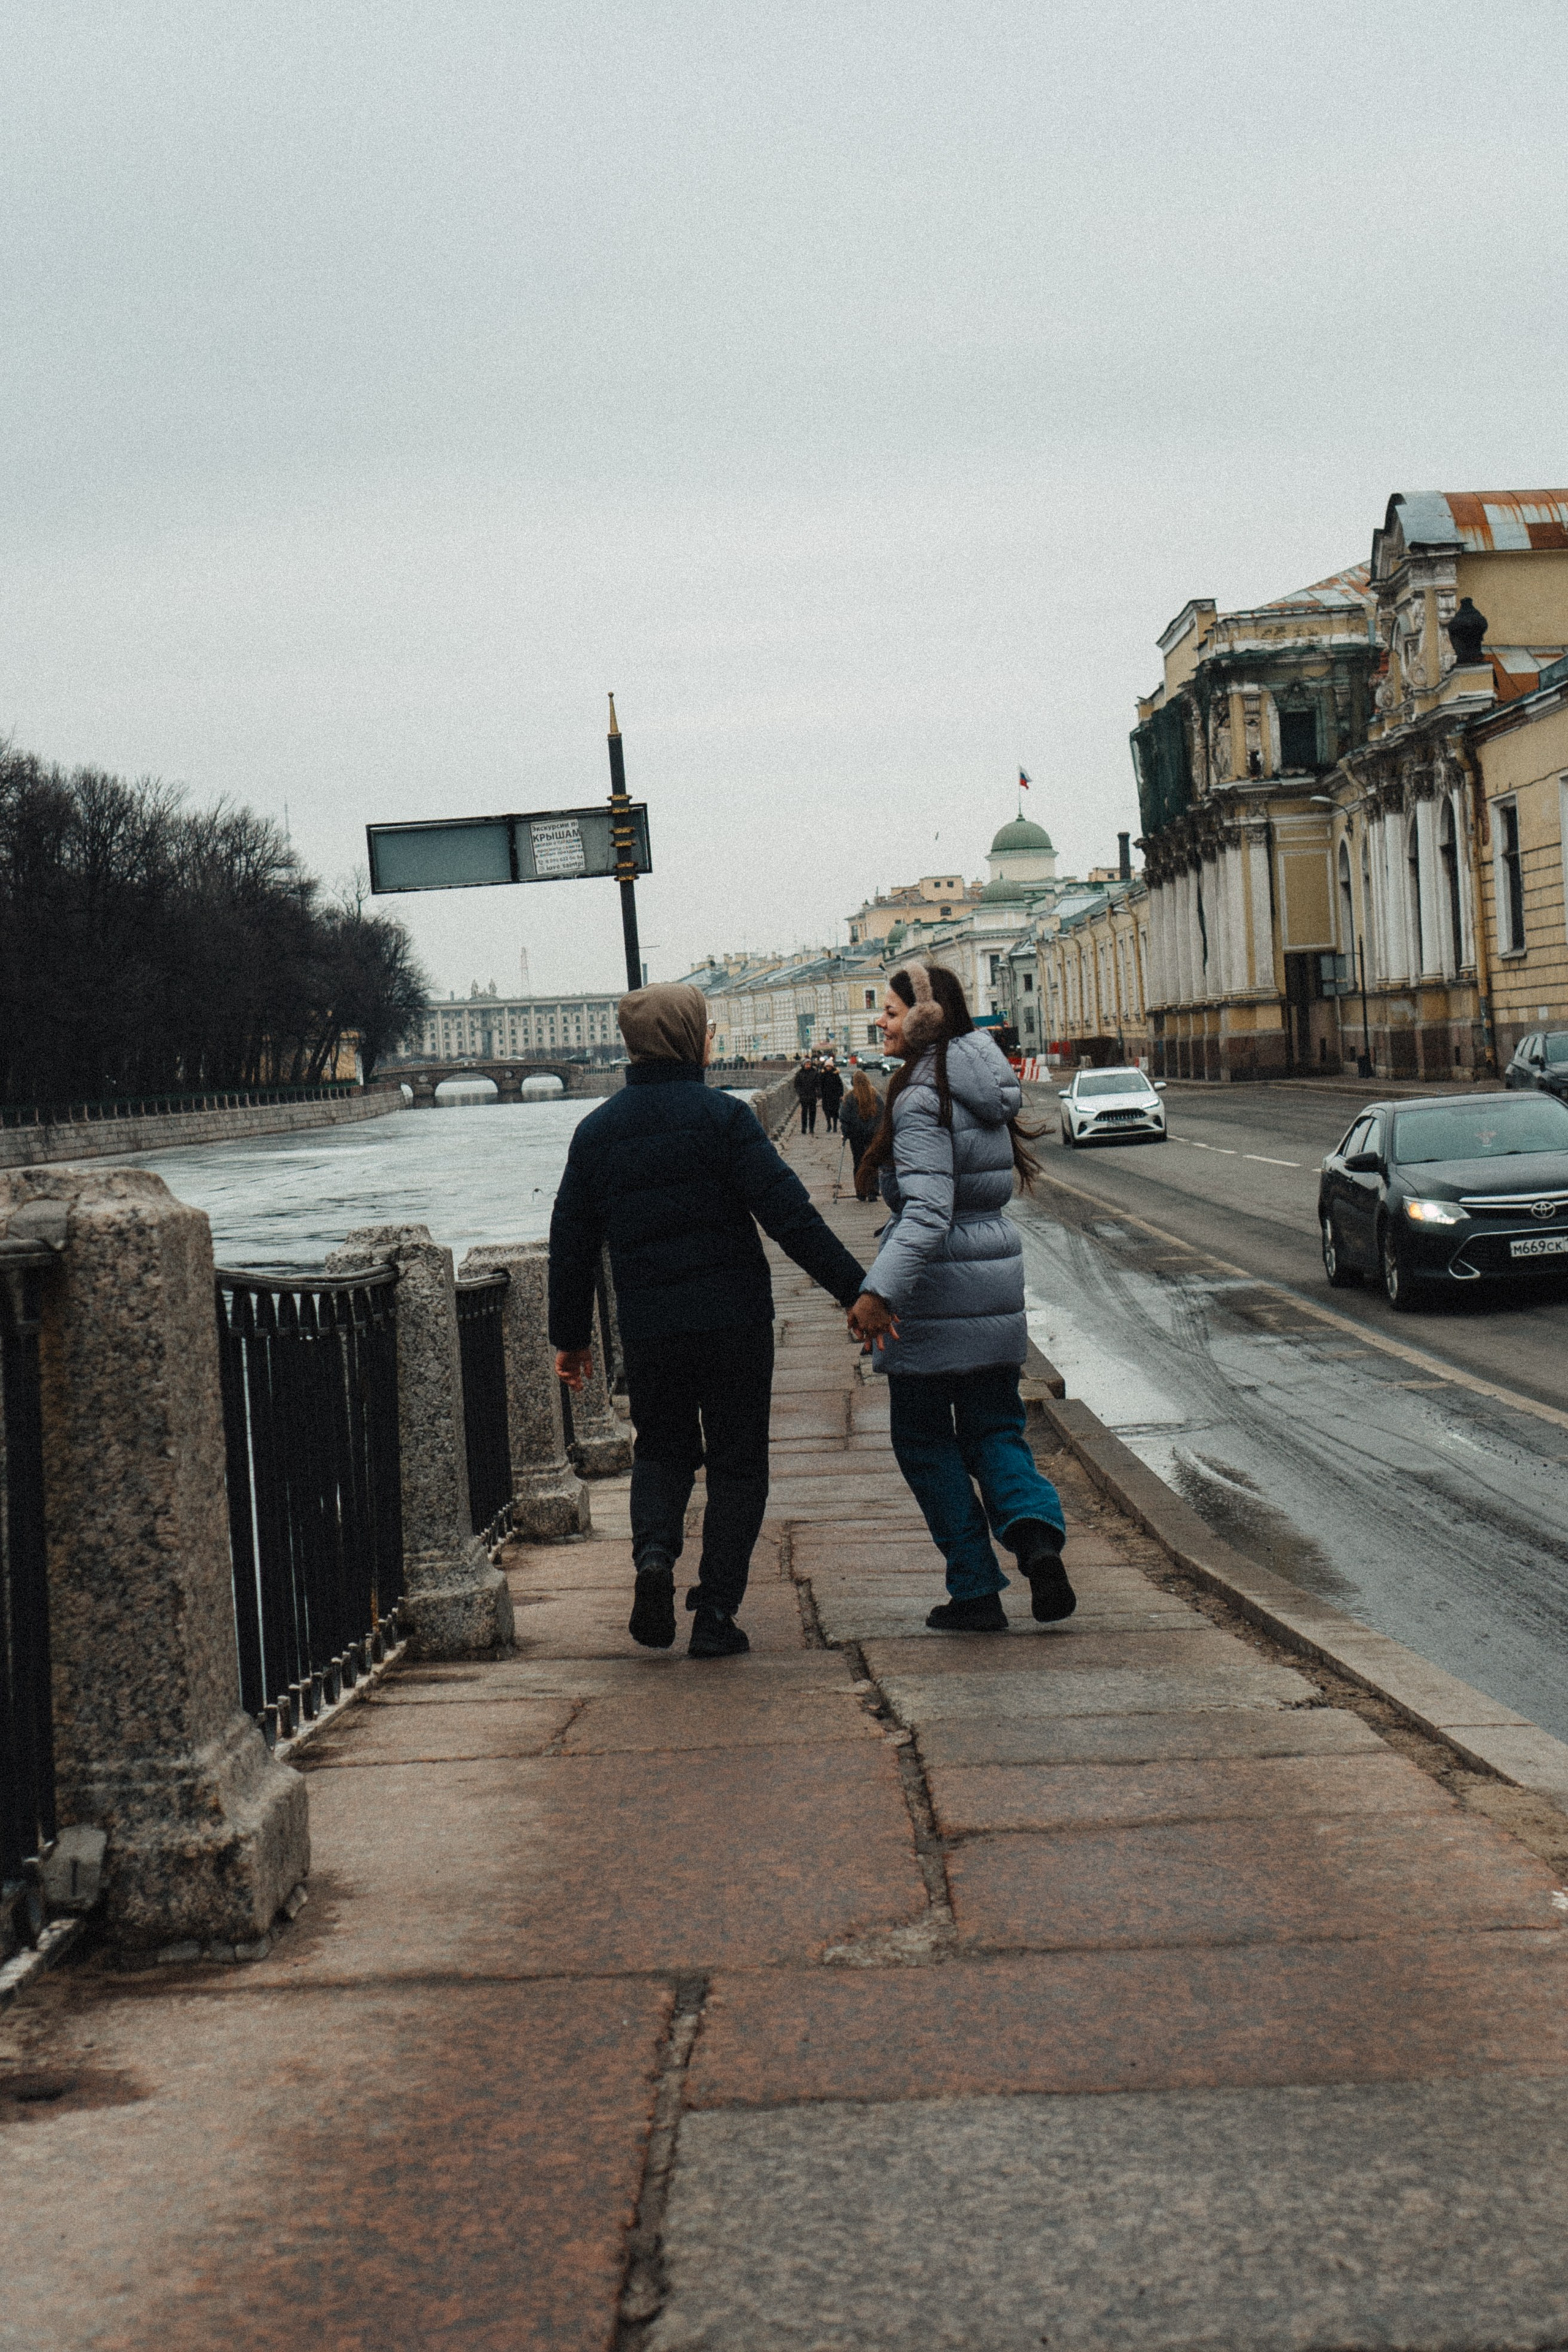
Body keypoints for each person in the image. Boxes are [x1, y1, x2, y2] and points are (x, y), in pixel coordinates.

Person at [550, 984, 866, 1658]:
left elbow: (572, 1244)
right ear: (693, 1038)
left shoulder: (596, 1132)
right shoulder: (723, 1119)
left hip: (651, 1327)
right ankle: (716, 1614)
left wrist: (570, 1341)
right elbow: (790, 1216)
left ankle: (655, 1558)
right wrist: (857, 1292)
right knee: (737, 1465)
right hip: (735, 1324)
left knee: (661, 1450)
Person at [847, 963, 1074, 1633]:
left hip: (934, 1291)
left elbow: (926, 1213)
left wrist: (876, 1291)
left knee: (924, 1445)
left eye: (889, 1011)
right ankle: (1035, 1539)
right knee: (996, 1429)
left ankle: (975, 1590)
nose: (880, 1023)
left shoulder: (919, 1094)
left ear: (922, 1016)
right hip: (994, 1282)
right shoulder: (981, 1081)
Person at [839, 1068, 881, 1181]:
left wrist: (845, 1133)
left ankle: (861, 1191)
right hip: (872, 1134)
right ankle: (873, 1191)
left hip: (855, 1136)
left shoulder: (849, 1098)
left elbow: (844, 1118)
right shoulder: (875, 1095)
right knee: (872, 1162)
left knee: (858, 1162)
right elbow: (881, 1115)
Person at [793, 1057, 821, 1135]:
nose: (808, 1066)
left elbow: (818, 1084)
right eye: (807, 1064)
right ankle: (804, 1127)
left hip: (812, 1095)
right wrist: (800, 1093)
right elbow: (797, 1085)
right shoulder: (800, 1074)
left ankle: (811, 1128)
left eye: (809, 1064)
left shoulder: (815, 1073)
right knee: (804, 1112)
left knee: (813, 1112)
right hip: (804, 1096)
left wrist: (819, 1093)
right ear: (804, 1065)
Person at [818, 1060, 845, 1133]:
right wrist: (820, 1094)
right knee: (827, 1111)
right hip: (826, 1096)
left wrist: (841, 1095)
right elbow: (820, 1085)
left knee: (835, 1112)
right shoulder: (822, 1074)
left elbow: (840, 1085)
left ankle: (835, 1127)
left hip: (835, 1096)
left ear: (832, 1066)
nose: (828, 1067)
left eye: (830, 1066)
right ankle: (829, 1125)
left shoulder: (836, 1074)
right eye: (827, 1066)